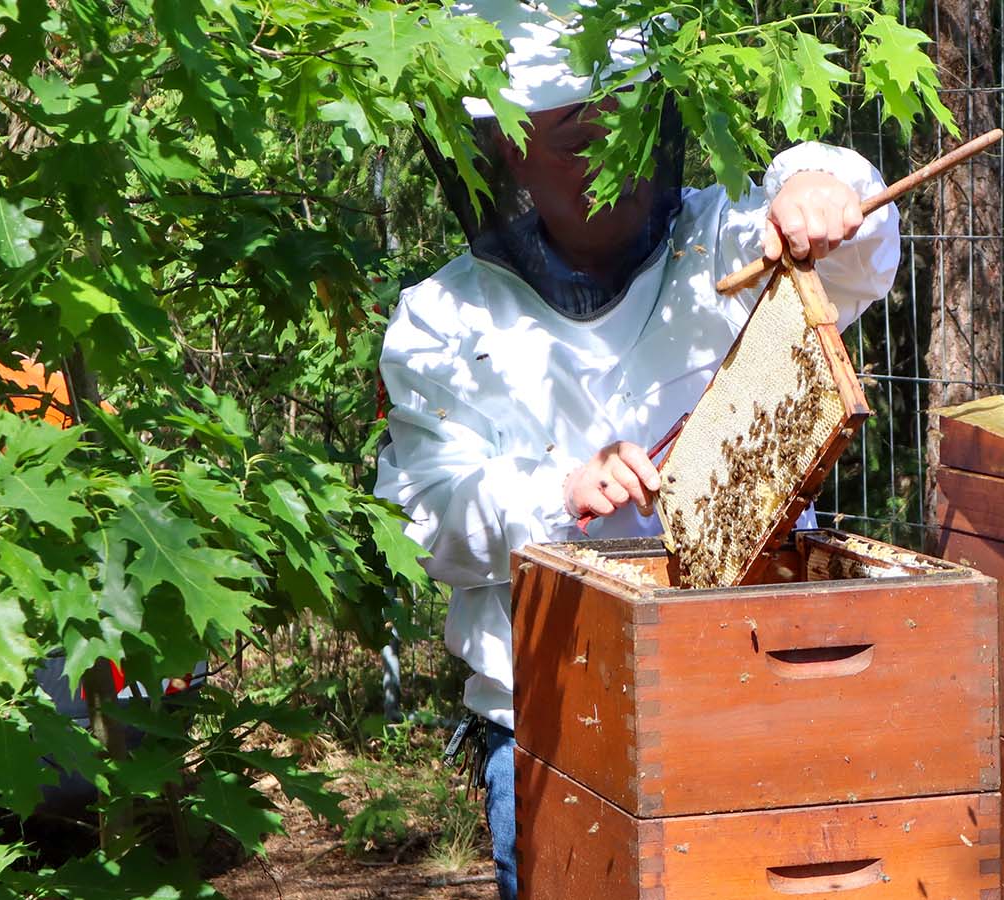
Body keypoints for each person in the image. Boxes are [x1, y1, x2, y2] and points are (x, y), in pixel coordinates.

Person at [373, 3, 901, 898]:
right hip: (548, 719)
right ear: (502, 146)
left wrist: (820, 186)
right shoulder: (439, 321)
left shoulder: (720, 244)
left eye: (621, 126)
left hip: (750, 693)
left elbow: (850, 256)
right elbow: (425, 519)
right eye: (573, 136)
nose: (603, 161)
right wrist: (558, 489)